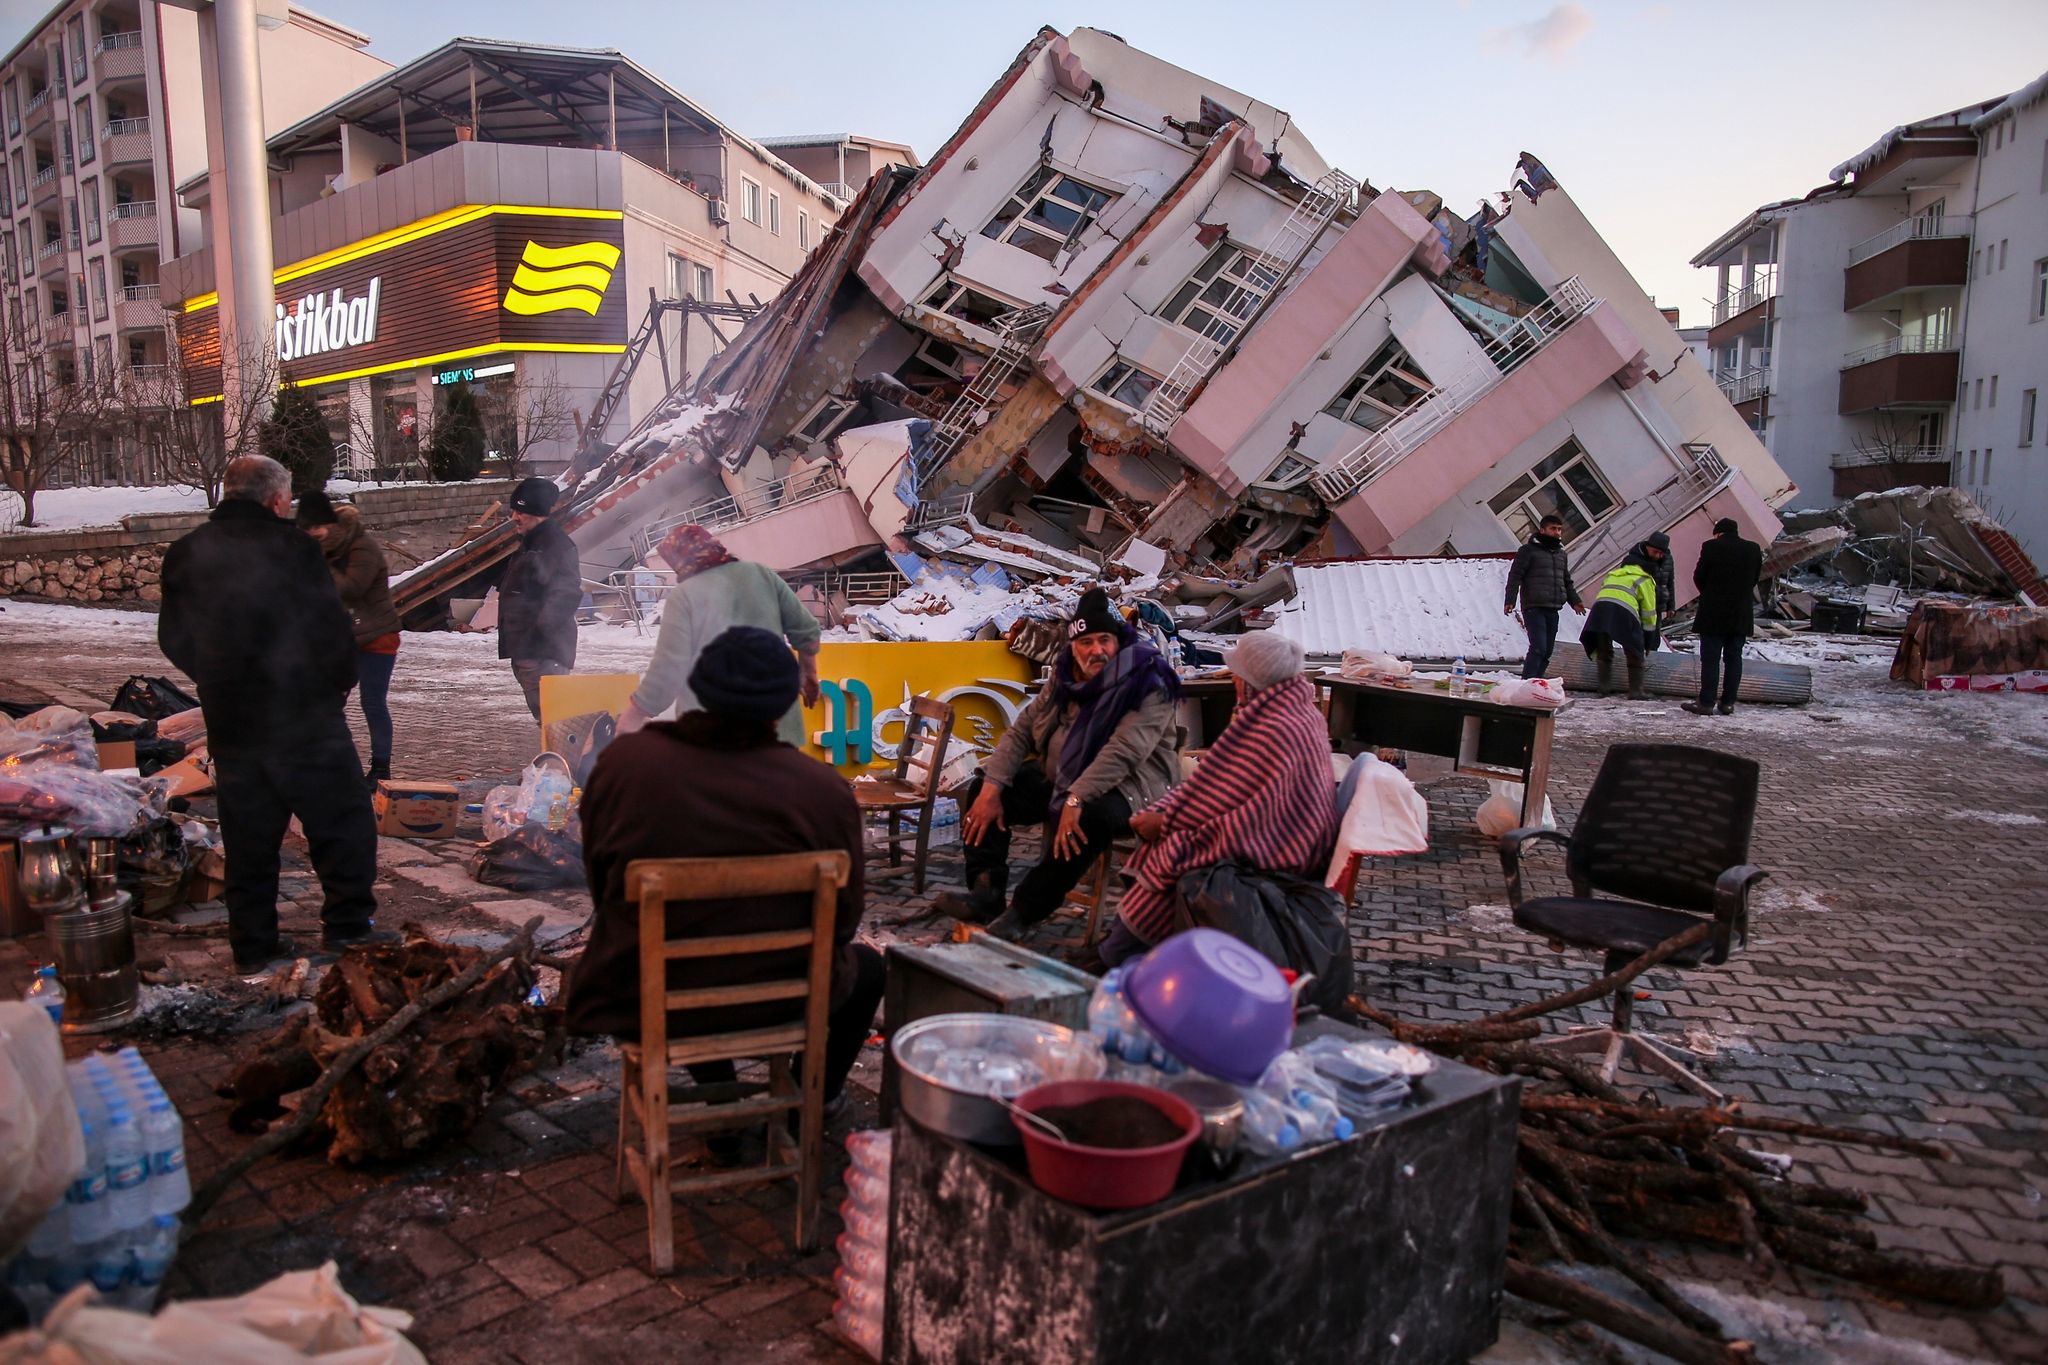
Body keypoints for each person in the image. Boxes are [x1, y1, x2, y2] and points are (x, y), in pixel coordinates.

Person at [565, 626, 883, 1117]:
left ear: (697, 688)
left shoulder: (625, 764)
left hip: (646, 997)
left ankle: (719, 1106)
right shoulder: (823, 791)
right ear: (786, 704)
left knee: (667, 955)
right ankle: (807, 1103)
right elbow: (843, 921)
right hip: (785, 1000)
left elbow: (603, 886)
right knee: (868, 969)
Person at [158, 455, 390, 975]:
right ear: (278, 499)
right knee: (342, 822)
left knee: (249, 834)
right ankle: (349, 928)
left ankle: (254, 944)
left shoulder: (187, 550)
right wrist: (333, 689)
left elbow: (172, 637)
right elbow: (330, 629)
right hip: (303, 714)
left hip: (232, 718)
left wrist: (215, 678)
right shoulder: (294, 550)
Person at [935, 587, 1182, 940]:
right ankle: (985, 892)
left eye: (1104, 640)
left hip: (1131, 786)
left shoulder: (1148, 679)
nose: (1095, 650)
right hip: (1065, 773)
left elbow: (1125, 750)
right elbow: (1023, 728)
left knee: (1088, 821)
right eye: (1086, 643)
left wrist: (1076, 797)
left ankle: (1024, 912)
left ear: (1118, 640)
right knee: (985, 787)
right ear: (1074, 644)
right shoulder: (1067, 671)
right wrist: (993, 786)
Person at [1107, 633, 1338, 968]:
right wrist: (1166, 813)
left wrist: (1166, 820)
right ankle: (1122, 949)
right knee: (1170, 839)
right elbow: (1217, 787)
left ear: (1250, 682)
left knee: (1173, 850)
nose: (1233, 680)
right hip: (1285, 835)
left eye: (1237, 675)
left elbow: (1243, 809)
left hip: (1282, 848)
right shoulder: (1294, 711)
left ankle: (1118, 955)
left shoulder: (1273, 727)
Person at [615, 525, 822, 743]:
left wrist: (633, 716)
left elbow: (669, 668)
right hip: (777, 728)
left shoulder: (684, 596)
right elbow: (806, 628)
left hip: (715, 736)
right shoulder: (760, 574)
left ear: (678, 561)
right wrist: (809, 672)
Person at [296, 490, 400, 782]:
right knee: (328, 700)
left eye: (317, 528)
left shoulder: (361, 547)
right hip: (344, 638)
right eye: (307, 530)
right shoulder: (329, 550)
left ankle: (380, 768)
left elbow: (352, 587)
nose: (313, 533)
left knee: (373, 701)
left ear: (331, 524)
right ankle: (326, 763)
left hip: (377, 637)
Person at [498, 477, 582, 720]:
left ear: (536, 512)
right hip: (531, 652)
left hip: (543, 653)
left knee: (555, 723)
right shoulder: (534, 543)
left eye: (520, 510)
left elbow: (566, 593)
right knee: (549, 723)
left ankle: (568, 759)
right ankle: (559, 758)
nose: (514, 517)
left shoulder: (553, 545)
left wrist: (536, 635)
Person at [1684, 518, 1765, 717]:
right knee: (1734, 658)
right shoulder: (1753, 549)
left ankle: (1706, 702)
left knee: (1711, 659)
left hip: (1714, 613)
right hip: (1741, 614)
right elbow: (1755, 578)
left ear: (1718, 533)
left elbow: (1699, 576)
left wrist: (1710, 593)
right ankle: (1728, 703)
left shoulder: (1711, 547)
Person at [1580, 541, 1666, 700]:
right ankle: (1636, 691)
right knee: (1634, 649)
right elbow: (1648, 614)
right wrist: (1647, 641)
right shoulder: (1645, 579)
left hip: (1600, 610)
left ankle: (1604, 687)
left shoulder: (1615, 574)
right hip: (1623, 611)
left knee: (1603, 647)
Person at [1504, 513, 1585, 679]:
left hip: (1553, 608)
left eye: (1560, 529)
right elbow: (1515, 576)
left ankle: (1536, 682)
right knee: (1538, 647)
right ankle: (1526, 682)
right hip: (1534, 607)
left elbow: (1566, 581)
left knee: (1547, 650)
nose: (1557, 532)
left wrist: (1575, 601)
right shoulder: (1528, 551)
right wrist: (1510, 600)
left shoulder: (1561, 554)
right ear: (1542, 530)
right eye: (1553, 529)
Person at [1632, 531, 1675, 651]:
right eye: (1655, 552)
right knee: (1638, 639)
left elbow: (1669, 582)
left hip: (1657, 606)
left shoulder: (1667, 559)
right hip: (1639, 606)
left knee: (1653, 641)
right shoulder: (1635, 559)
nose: (1658, 556)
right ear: (1648, 547)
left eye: (1661, 553)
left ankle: (1648, 664)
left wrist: (1671, 606)